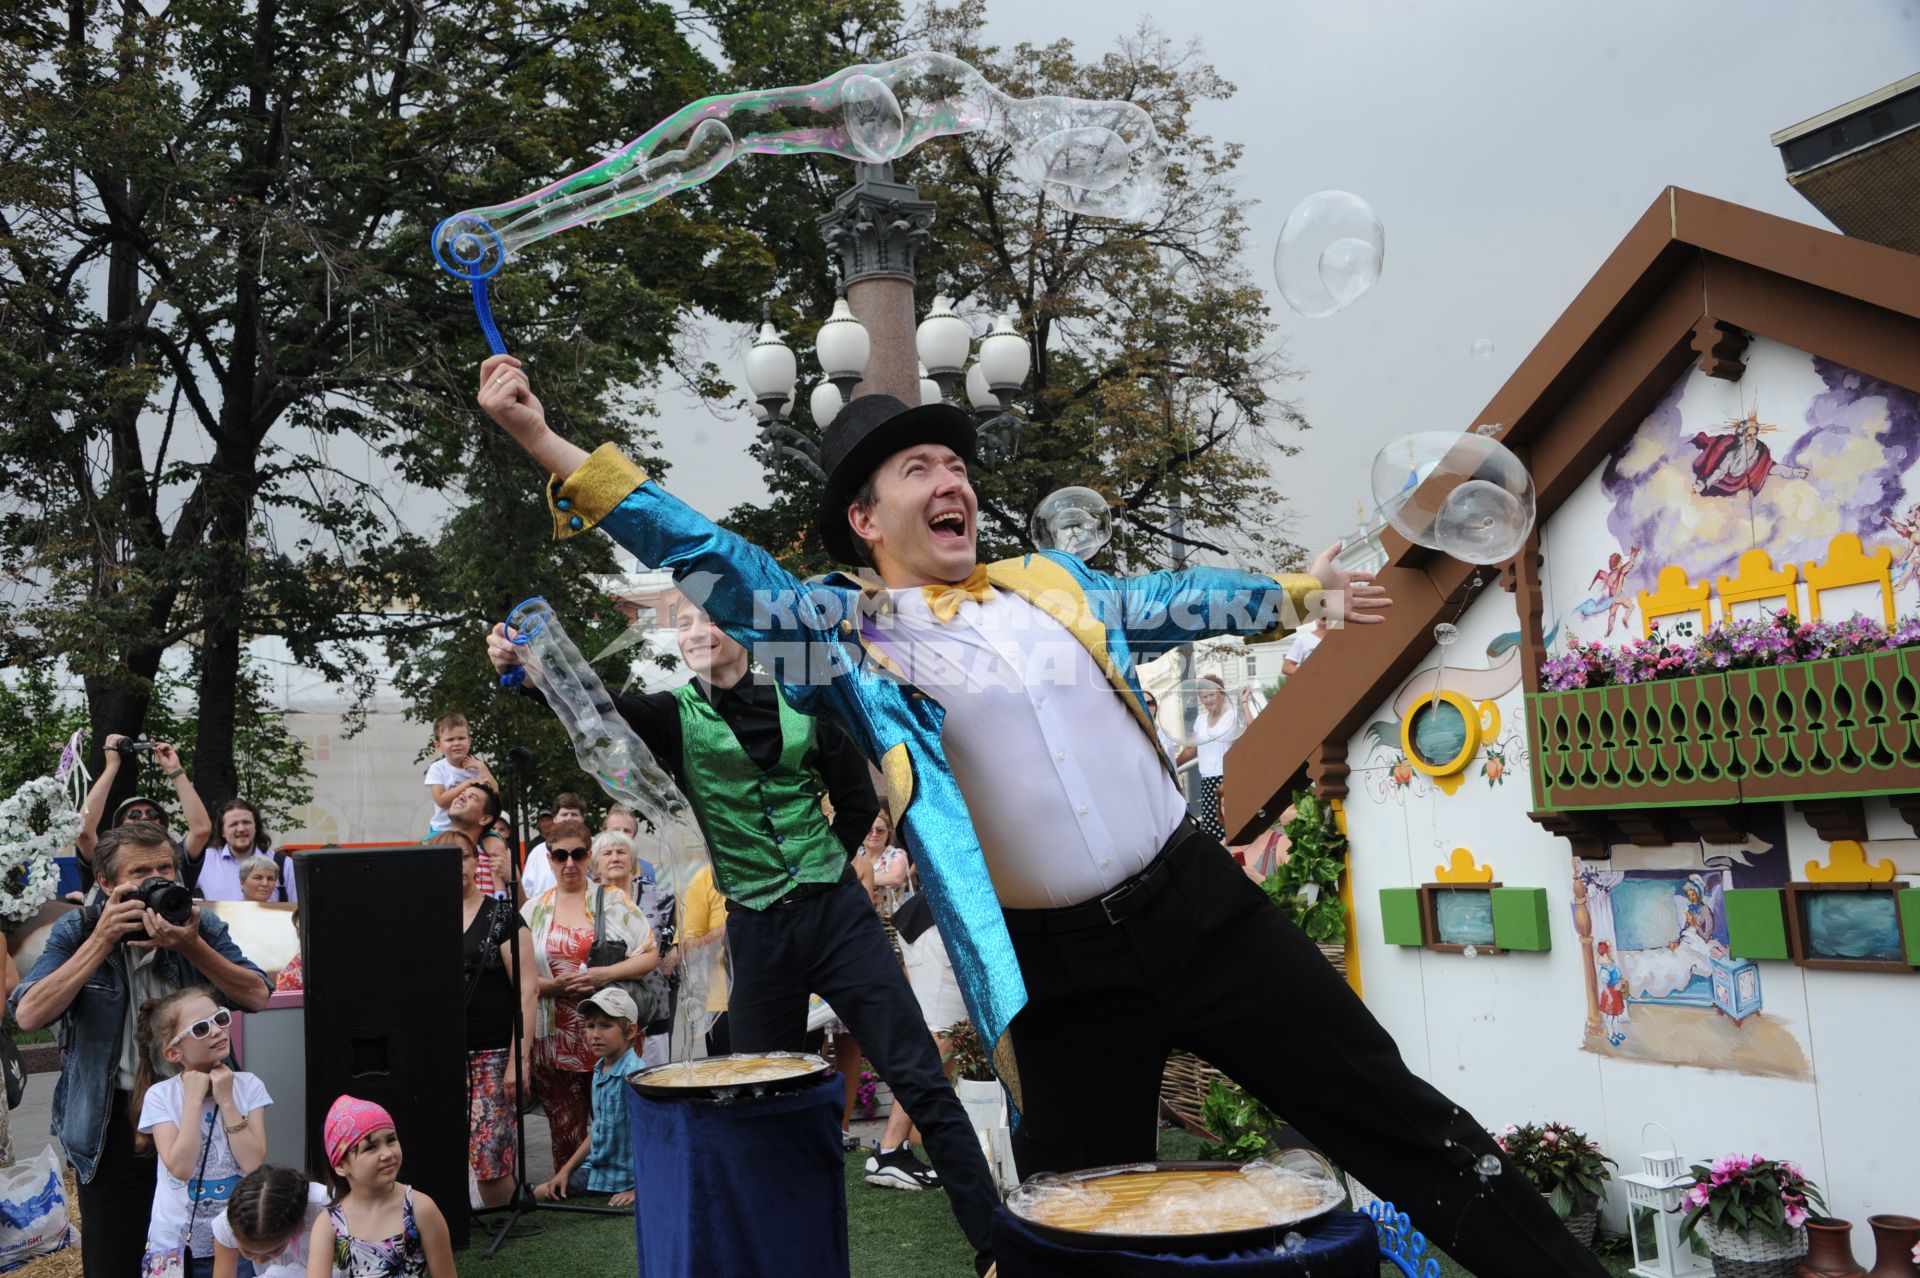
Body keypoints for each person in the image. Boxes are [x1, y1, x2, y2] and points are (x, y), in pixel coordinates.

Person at [477, 359, 1608, 1277]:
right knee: (1078, 1219)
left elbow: (1165, 604)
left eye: (957, 460)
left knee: (1400, 1118)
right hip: (1055, 974)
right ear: (866, 517)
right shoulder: (838, 637)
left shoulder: (1048, 584)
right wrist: (545, 442)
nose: (952, 476)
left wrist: (1293, 594)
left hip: (1200, 907)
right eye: (919, 465)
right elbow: (704, 553)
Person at [488, 588, 1002, 1269]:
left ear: (743, 629)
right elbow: (596, 706)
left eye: (708, 618)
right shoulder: (676, 714)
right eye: (686, 623)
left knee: (919, 1077)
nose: (696, 632)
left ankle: (1002, 1249)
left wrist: (825, 868)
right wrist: (526, 668)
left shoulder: (806, 698)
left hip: (837, 918)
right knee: (761, 1101)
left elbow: (854, 799)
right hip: (758, 930)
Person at [12, 821, 271, 1278]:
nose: (157, 880)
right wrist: (101, 940)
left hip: (199, 1110)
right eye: (141, 871)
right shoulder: (78, 929)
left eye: (166, 868)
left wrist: (191, 947)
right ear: (107, 884)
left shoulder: (196, 922)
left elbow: (256, 994)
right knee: (115, 1254)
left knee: (206, 1251)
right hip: (112, 1120)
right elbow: (29, 1014)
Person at [521, 815, 656, 1166]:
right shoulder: (533, 910)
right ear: (548, 858)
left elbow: (650, 954)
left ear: (588, 857)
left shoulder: (612, 900)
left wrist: (602, 975)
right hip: (553, 1037)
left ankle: (623, 1182)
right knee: (565, 1128)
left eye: (578, 854)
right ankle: (570, 1186)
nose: (569, 863)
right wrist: (551, 986)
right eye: (560, 855)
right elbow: (517, 978)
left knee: (621, 1121)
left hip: (609, 1029)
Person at [136, 984, 271, 1276]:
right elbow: (180, 1168)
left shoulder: (249, 1086)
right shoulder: (161, 1096)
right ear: (173, 1052)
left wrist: (227, 1100)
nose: (216, 1031)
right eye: (200, 1028)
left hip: (241, 1243)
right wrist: (194, 1099)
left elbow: (252, 1162)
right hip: (178, 1247)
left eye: (220, 1019)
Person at [445, 830, 536, 1209]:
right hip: (443, 1058)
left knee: (491, 1165)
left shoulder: (501, 917)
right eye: (448, 859)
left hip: (494, 1055)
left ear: (476, 862)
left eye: (465, 856)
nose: (458, 866)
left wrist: (519, 1058)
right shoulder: (421, 920)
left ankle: (505, 1221)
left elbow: (527, 991)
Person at [864, 888, 962, 1191]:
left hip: (945, 924)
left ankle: (925, 1150)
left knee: (950, 1045)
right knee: (941, 1040)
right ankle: (890, 1150)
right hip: (936, 927)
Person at [310, 1095, 457, 1277]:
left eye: (391, 1140)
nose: (387, 1153)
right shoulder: (328, 1225)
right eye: (370, 1147)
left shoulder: (421, 1209)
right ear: (341, 1166)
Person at [534, 987, 642, 1208]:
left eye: (606, 1025)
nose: (595, 1034)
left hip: (620, 1179)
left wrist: (637, 1189)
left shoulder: (634, 1075)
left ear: (630, 1032)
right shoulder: (599, 1069)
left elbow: (653, 1137)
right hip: (597, 1171)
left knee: (537, 1195)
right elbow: (599, 1130)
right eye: (590, 1026)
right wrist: (565, 1170)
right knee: (540, 1192)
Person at [75, 735, 211, 894]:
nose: (145, 817)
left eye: (153, 813)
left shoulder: (175, 855)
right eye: (134, 815)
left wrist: (175, 770)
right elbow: (82, 830)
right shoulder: (105, 856)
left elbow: (201, 830)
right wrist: (112, 766)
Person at [589, 830, 675, 1065]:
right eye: (607, 853)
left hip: (651, 1006)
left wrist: (674, 954)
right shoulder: (587, 900)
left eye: (621, 852)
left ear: (634, 863)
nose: (615, 857)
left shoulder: (659, 897)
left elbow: (688, 931)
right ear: (596, 866)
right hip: (604, 1010)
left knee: (653, 1082)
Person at [212, 1165, 331, 1278]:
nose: (259, 1260)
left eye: (274, 1250)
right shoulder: (227, 1226)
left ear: (297, 1226)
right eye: (247, 1251)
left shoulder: (327, 1211)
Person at [660, 864, 730, 1055]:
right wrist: (726, 930)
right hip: (723, 1005)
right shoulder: (706, 877)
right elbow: (686, 947)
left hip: (780, 997)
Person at [1176, 675, 1247, 840]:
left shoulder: (1234, 715)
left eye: (1211, 695)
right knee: (1211, 830)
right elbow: (1190, 749)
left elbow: (1250, 734)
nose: (1208, 700)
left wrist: (1244, 701)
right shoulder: (1200, 720)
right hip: (1207, 781)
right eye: (1204, 697)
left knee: (1231, 825)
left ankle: (1240, 863)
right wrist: (1172, 765)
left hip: (1228, 777)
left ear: (1221, 693)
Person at [197, 800, 291, 903]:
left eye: (246, 822)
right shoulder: (204, 861)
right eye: (233, 824)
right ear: (223, 832)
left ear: (256, 827)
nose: (241, 829)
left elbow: (300, 910)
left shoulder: (284, 864)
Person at [424, 711, 495, 837]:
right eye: (450, 739)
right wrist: (469, 784)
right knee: (428, 850)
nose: (456, 743)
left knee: (497, 844)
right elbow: (441, 801)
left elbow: (494, 793)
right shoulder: (437, 768)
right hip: (444, 829)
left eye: (461, 738)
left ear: (469, 741)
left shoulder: (477, 767)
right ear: (438, 745)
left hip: (474, 828)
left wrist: (482, 767)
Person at [517, 792, 585, 903]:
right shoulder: (537, 852)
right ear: (554, 819)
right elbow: (527, 893)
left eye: (574, 814)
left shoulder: (596, 847)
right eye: (564, 814)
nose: (569, 819)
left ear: (583, 818)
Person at [446, 781, 509, 898]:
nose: (462, 797)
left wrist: (514, 878)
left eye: (473, 797)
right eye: (462, 794)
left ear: (485, 819)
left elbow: (519, 907)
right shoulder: (434, 848)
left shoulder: (497, 856)